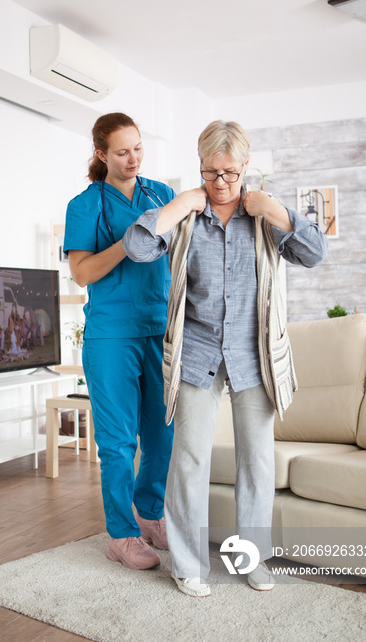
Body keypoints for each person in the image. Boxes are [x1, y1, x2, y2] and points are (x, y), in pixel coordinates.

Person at [122, 120, 328, 596]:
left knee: (256, 462)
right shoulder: (188, 217)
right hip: (197, 352)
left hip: (253, 355)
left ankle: (250, 561)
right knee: (189, 459)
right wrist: (178, 205)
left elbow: (315, 253)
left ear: (245, 168)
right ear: (200, 168)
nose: (219, 183)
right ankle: (188, 565)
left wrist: (275, 209)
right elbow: (136, 247)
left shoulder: (263, 218)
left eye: (230, 173)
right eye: (210, 172)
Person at [63, 112, 175, 570]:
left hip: (160, 328)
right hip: (111, 335)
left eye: (138, 148)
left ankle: (150, 516)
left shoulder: (161, 195)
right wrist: (128, 243)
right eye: (122, 151)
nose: (133, 158)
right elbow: (82, 272)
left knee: (162, 435)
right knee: (117, 442)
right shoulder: (85, 206)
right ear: (101, 154)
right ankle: (121, 534)